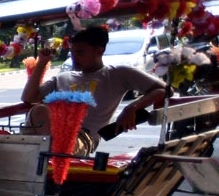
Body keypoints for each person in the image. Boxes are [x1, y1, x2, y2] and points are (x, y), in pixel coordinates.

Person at [22, 24, 168, 155]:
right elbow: (29, 97)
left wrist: (132, 108)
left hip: (81, 138)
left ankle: (47, 157)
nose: (74, 58)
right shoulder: (62, 77)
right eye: (72, 53)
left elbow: (164, 89)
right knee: (39, 111)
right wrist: (42, 63)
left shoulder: (118, 74)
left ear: (99, 51)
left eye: (80, 53)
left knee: (47, 131)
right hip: (44, 135)